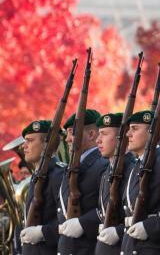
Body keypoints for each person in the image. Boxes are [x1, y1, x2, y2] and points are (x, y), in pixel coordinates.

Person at [116, 109, 160, 255]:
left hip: (154, 247)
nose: (128, 134)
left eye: (135, 129)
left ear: (151, 133)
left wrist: (150, 227)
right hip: (133, 245)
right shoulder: (136, 165)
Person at [56, 108, 108, 255]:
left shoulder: (103, 164)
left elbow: (109, 207)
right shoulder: (72, 165)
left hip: (87, 247)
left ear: (91, 134)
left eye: (72, 133)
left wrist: (83, 223)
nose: (67, 139)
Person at [20, 119, 66, 255]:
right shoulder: (37, 175)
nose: (24, 146)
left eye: (30, 140)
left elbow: (67, 223)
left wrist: (42, 233)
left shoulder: (58, 174)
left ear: (47, 144)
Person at [94, 112, 136, 255]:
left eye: (104, 134)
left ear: (120, 139)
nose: (98, 140)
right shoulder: (107, 171)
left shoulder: (133, 169)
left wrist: (119, 231)